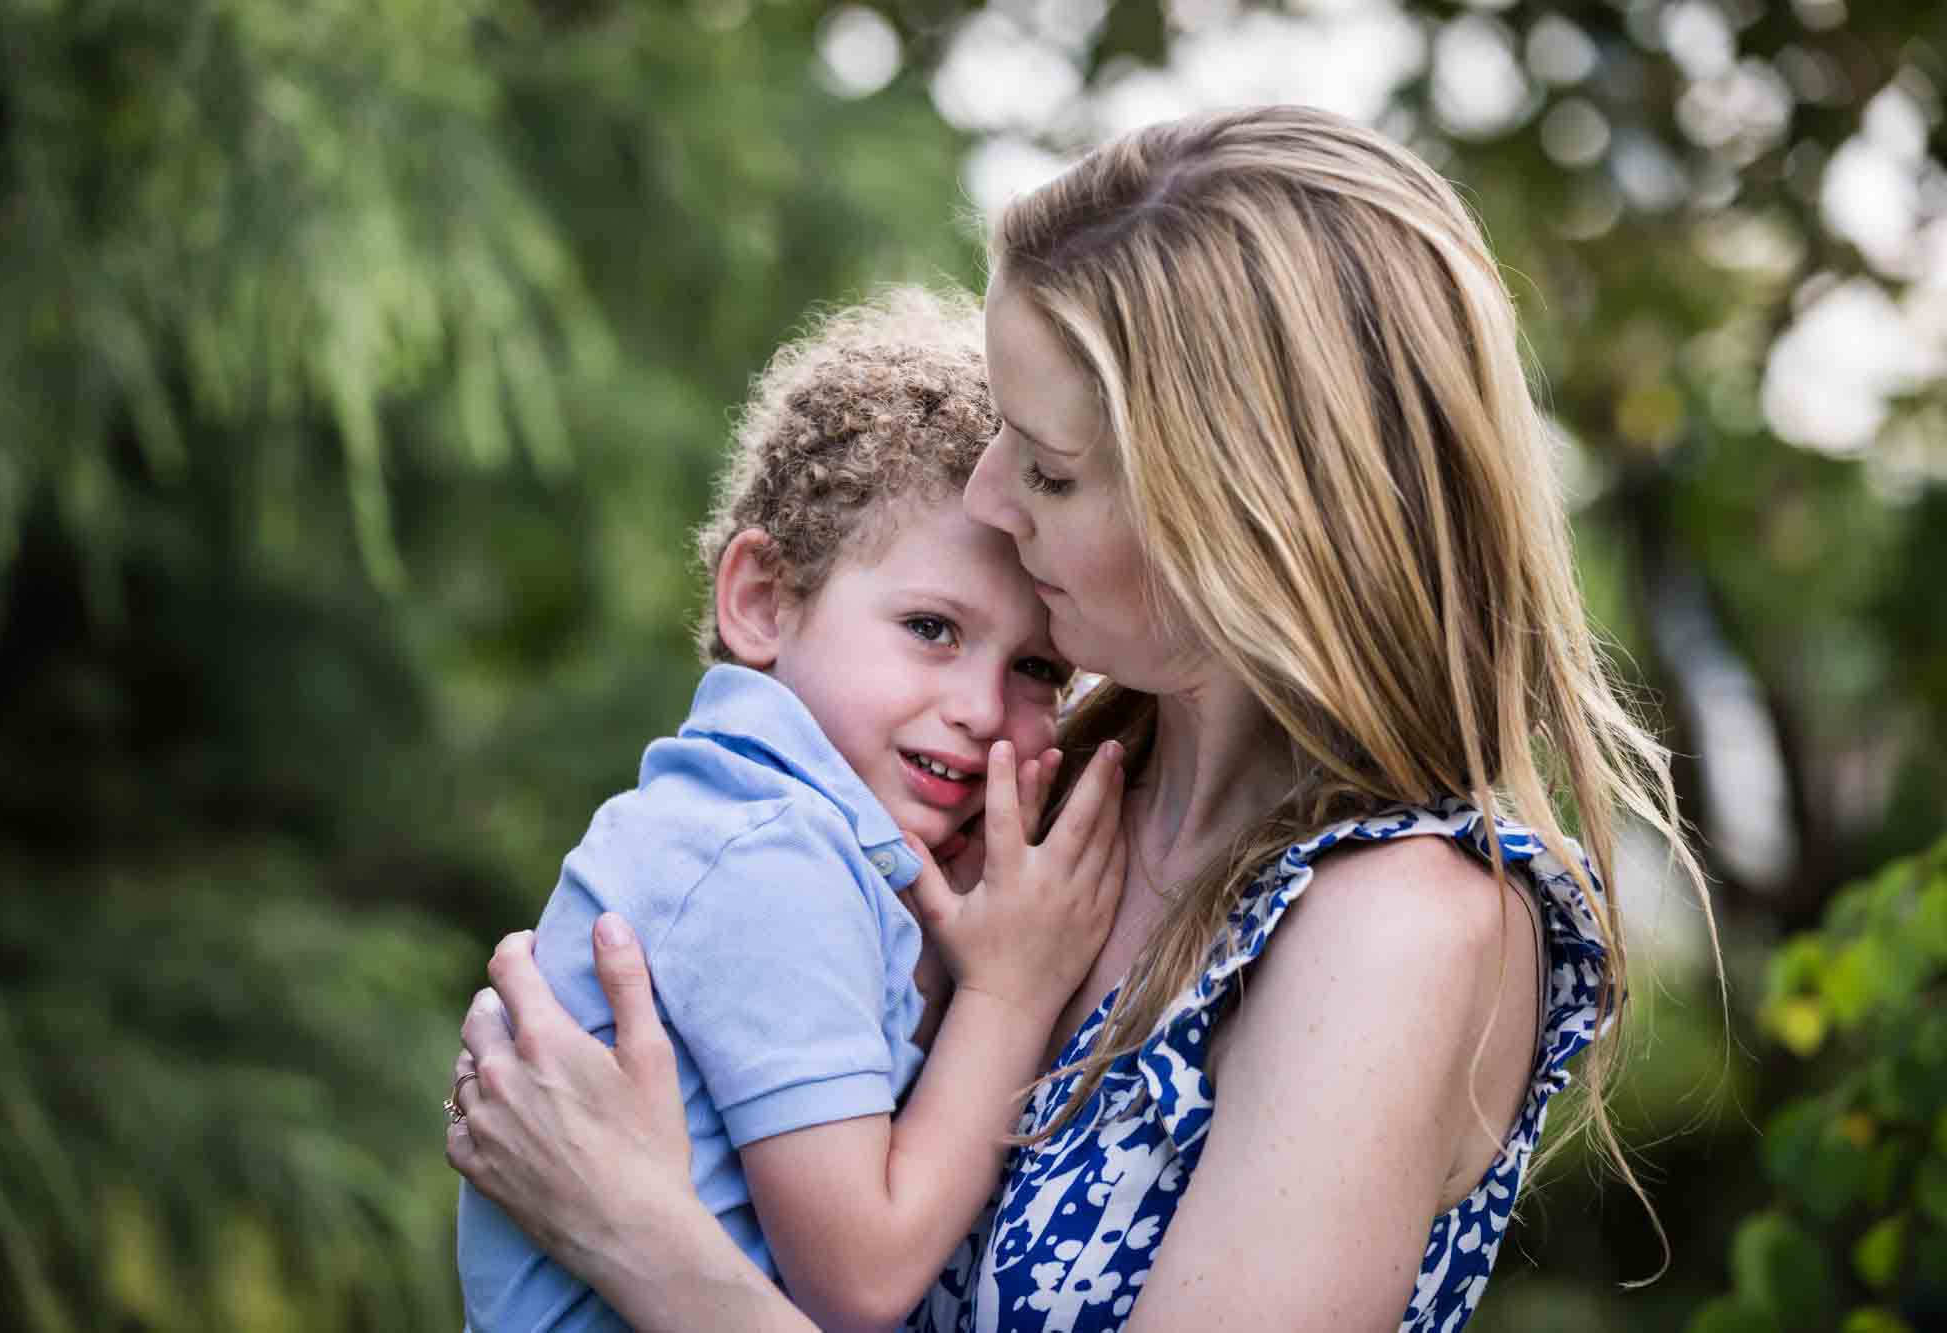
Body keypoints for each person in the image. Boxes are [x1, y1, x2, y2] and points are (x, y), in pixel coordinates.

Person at [448, 105, 1714, 1332]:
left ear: (1238, 520)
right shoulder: (1028, 801)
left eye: (1048, 468)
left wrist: (639, 1239)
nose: (989, 498)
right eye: (1000, 430)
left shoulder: (1393, 928)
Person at [453, 289, 1132, 1333]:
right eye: (931, 629)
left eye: (1039, 667)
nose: (980, 708)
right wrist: (1005, 994)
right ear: (763, 602)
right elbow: (859, 1280)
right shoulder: (765, 853)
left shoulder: (784, 834)